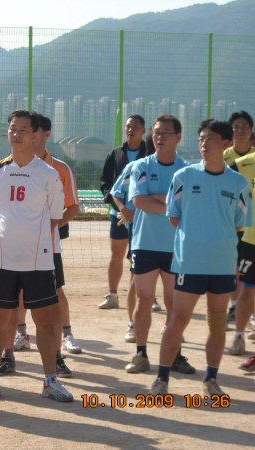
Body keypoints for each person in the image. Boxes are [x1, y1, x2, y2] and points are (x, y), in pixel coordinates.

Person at [0, 110, 72, 402]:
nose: (16, 134)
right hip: (3, 258)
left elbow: (55, 217)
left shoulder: (49, 174)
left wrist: (32, 238)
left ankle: (50, 381)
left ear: (35, 135)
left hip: (38, 260)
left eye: (24, 130)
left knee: (44, 319)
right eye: (13, 129)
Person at [149, 119, 252, 396]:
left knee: (217, 324)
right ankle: (162, 379)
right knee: (177, 321)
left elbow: (239, 224)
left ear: (226, 143)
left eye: (211, 139)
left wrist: (216, 238)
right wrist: (194, 238)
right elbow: (174, 216)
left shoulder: (239, 182)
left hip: (222, 264)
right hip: (190, 262)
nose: (204, 144)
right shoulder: (184, 176)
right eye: (201, 139)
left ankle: (210, 380)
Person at [0, 114, 80, 380]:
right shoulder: (2, 168)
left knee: (51, 303)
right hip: (12, 249)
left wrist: (47, 229)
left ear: (42, 134)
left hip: (46, 249)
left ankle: (56, 357)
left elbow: (72, 207)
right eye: (16, 129)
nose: (24, 135)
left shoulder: (58, 169)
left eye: (29, 130)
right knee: (11, 302)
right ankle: (7, 355)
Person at [126, 115, 193, 374]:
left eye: (166, 133)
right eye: (156, 133)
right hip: (145, 244)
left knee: (174, 304)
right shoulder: (141, 165)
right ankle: (140, 354)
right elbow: (139, 202)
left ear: (178, 137)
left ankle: (175, 355)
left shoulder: (187, 170)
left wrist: (155, 198)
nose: (159, 137)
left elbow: (188, 205)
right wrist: (171, 203)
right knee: (144, 300)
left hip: (176, 246)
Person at [111, 128, 156, 343]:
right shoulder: (137, 167)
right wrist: (125, 210)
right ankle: (132, 325)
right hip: (140, 232)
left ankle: (171, 325)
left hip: (170, 236)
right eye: (158, 136)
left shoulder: (181, 168)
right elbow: (116, 191)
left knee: (171, 285)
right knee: (134, 278)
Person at [100, 115, 147, 309]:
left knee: (141, 257)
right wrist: (118, 206)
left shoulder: (150, 154)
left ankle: (146, 296)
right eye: (128, 126)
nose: (131, 130)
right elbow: (105, 183)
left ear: (143, 131)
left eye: (135, 127)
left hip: (143, 216)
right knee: (117, 255)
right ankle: (112, 295)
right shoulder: (115, 154)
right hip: (119, 214)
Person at [223, 111, 255, 321]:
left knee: (247, 270)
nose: (240, 130)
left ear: (251, 130)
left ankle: (248, 311)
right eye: (236, 126)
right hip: (230, 220)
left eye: (245, 126)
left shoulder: (253, 158)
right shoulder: (224, 156)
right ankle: (234, 306)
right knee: (232, 265)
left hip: (249, 225)